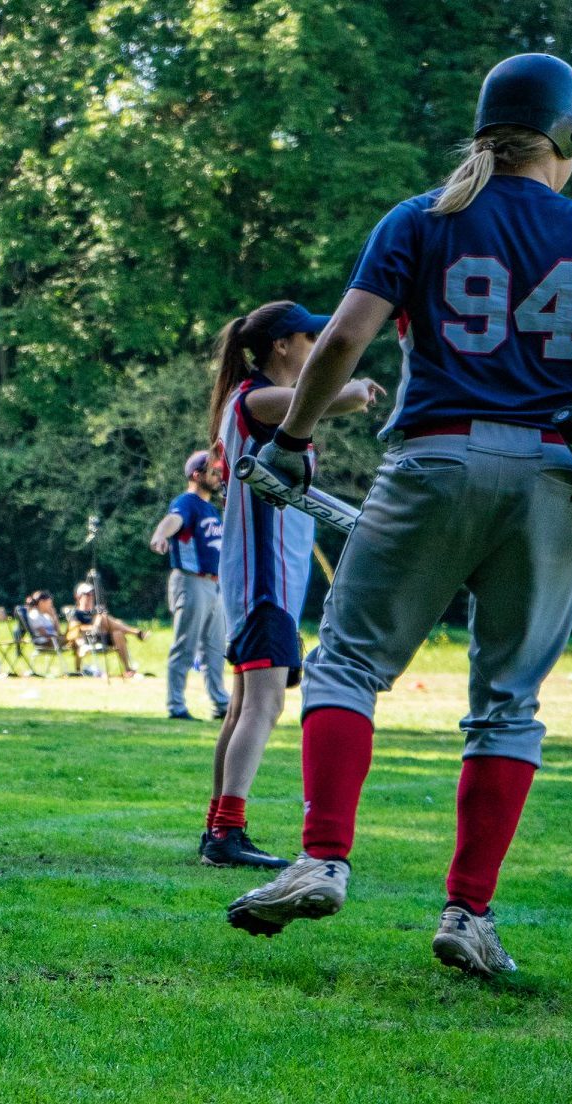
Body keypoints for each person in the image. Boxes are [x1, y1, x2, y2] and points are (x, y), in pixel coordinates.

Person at [227, 54, 572, 978]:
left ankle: (321, 857)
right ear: (569, 139)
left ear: (483, 134)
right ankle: (467, 913)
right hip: (559, 473)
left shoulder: (419, 220)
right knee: (506, 702)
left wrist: (291, 438)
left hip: (433, 459)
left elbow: (348, 334)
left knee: (349, 664)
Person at [200, 301, 381, 869]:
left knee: (243, 707)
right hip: (263, 579)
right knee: (265, 704)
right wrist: (356, 389)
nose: (317, 345)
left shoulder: (250, 401)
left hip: (261, 578)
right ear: (281, 345)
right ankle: (226, 831)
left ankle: (220, 829)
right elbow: (336, 397)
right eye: (310, 337)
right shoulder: (256, 400)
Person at [149, 451, 229, 720]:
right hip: (191, 580)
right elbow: (174, 519)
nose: (218, 477)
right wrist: (161, 534)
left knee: (215, 649)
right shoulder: (188, 502)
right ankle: (176, 705)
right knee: (186, 645)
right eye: (213, 472)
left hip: (214, 585)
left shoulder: (210, 508)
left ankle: (221, 703)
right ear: (197, 475)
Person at [65, 581, 147, 678]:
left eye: (91, 594)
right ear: (78, 597)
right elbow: (75, 629)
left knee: (117, 633)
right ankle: (135, 632)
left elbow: (112, 624)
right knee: (103, 617)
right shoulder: (76, 613)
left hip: (104, 635)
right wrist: (93, 626)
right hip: (89, 638)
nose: (90, 597)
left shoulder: (96, 610)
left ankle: (127, 669)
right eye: (86, 594)